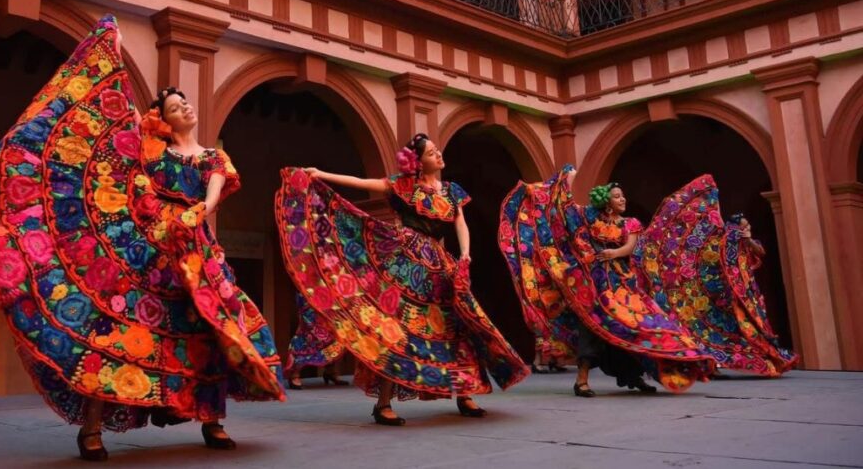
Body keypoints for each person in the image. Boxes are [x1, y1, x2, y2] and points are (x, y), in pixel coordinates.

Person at [0, 16, 283, 461]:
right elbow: (116, 122)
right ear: (164, 122)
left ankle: (212, 419)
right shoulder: (152, 156)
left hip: (194, 251)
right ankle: (92, 429)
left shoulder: (213, 156)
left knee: (206, 332)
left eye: (185, 102)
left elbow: (213, 193)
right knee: (115, 326)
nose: (185, 108)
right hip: (149, 248)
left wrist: (198, 213)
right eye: (174, 107)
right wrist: (111, 49)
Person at [276, 133, 528, 426]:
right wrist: (322, 174)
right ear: (419, 162)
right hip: (407, 260)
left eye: (437, 151)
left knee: (458, 324)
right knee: (399, 327)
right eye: (432, 153)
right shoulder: (405, 185)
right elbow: (366, 183)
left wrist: (465, 254)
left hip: (440, 263)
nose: (439, 155)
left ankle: (465, 392)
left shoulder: (451, 191)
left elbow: (460, 222)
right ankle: (383, 403)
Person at [499, 166, 715, 397]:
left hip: (622, 284)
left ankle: (634, 375)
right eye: (616, 196)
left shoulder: (630, 223)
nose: (622, 199)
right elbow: (565, 210)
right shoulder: (590, 219)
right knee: (590, 328)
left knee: (636, 324)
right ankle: (581, 381)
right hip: (593, 283)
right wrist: (567, 179)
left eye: (623, 196)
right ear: (606, 201)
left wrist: (615, 253)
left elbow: (631, 246)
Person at [634, 176, 797, 376]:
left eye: (748, 227)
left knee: (751, 328)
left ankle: (767, 359)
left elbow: (760, 252)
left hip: (746, 295)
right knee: (717, 329)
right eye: (744, 227)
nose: (747, 230)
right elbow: (704, 260)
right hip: (722, 296)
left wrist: (746, 240)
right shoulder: (721, 242)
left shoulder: (746, 242)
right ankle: (713, 363)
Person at [285, 292, 347, 389]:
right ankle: (294, 373)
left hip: (326, 288)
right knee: (309, 333)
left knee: (334, 331)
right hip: (308, 289)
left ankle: (330, 370)